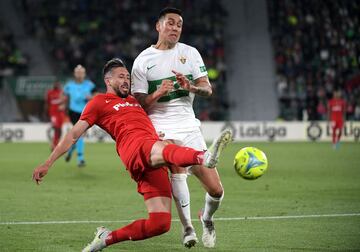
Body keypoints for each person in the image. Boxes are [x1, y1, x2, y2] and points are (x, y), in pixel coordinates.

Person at [32, 58, 232, 252]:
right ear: (108, 81)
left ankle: (106, 238)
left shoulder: (135, 101)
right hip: (134, 148)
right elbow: (74, 135)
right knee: (168, 146)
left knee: (160, 224)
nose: (126, 80)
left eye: (127, 76)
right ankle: (204, 157)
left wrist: (159, 95)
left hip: (150, 156)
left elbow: (153, 109)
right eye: (120, 77)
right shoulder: (99, 102)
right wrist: (47, 163)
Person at [131, 7, 225, 248]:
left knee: (216, 191)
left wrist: (191, 87)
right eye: (170, 23)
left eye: (179, 24)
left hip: (189, 127)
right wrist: (157, 94)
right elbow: (139, 104)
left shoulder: (190, 53)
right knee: (176, 167)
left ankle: (206, 218)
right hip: (160, 127)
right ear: (158, 26)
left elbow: (208, 89)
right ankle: (187, 229)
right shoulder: (143, 60)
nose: (175, 28)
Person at [63, 65, 96, 167]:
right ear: (74, 74)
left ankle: (69, 152)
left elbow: (97, 95)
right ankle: (80, 159)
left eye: (81, 72)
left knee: (78, 135)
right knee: (80, 134)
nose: (79, 74)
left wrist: (91, 97)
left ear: (84, 74)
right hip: (73, 112)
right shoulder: (69, 86)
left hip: (85, 112)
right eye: (78, 72)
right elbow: (64, 97)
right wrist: (62, 106)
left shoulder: (89, 84)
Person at [45, 81, 66, 151]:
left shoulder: (61, 92)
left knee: (59, 129)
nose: (56, 85)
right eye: (55, 84)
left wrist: (63, 106)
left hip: (60, 114)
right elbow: (47, 103)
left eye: (58, 84)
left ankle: (56, 144)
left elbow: (65, 102)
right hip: (53, 114)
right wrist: (47, 113)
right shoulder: (50, 92)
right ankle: (54, 145)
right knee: (56, 128)